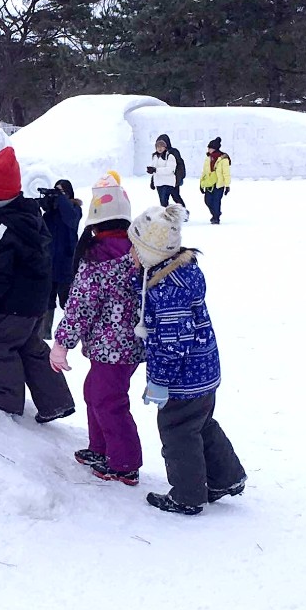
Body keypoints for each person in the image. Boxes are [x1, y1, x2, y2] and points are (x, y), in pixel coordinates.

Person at [131, 202, 243, 514]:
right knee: (201, 424)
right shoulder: (175, 272)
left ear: (151, 252)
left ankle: (187, 495)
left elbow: (173, 345)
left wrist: (159, 383)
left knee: (178, 432)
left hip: (184, 379)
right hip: (203, 370)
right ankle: (226, 477)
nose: (132, 254)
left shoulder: (167, 291)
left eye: (136, 248)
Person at [0, 147, 76, 424]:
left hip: (11, 304)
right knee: (31, 345)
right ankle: (55, 402)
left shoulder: (1, 227)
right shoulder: (29, 215)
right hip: (36, 301)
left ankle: (6, 400)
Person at [50, 177, 145, 485]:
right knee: (96, 393)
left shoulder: (97, 257)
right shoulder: (137, 250)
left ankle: (124, 462)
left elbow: (80, 305)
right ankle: (101, 447)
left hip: (111, 348)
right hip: (127, 345)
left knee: (108, 400)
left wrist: (62, 343)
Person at [37, 178, 82, 326]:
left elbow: (71, 219)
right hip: (49, 263)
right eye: (56, 190)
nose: (58, 194)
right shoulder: (50, 213)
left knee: (68, 302)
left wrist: (60, 198)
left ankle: (73, 331)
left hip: (66, 264)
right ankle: (44, 335)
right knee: (46, 302)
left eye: (61, 191)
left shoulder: (75, 209)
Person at [146, 134, 186, 207]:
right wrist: (152, 179)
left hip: (170, 182)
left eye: (162, 145)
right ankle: (166, 217)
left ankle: (184, 213)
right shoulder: (155, 156)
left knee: (176, 198)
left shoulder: (171, 154)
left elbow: (170, 169)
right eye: (158, 146)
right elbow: (155, 169)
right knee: (163, 203)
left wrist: (179, 178)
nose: (160, 148)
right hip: (159, 183)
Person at [198, 138, 231, 223]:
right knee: (208, 200)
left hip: (219, 184)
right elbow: (204, 172)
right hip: (209, 183)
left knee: (216, 201)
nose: (208, 149)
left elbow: (226, 173)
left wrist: (227, 185)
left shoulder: (223, 159)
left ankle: (216, 218)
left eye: (210, 148)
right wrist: (201, 184)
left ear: (215, 148)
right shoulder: (208, 158)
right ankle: (215, 213)